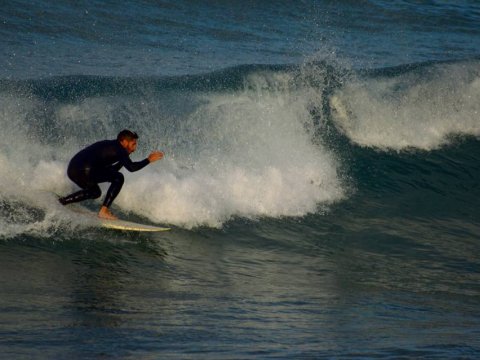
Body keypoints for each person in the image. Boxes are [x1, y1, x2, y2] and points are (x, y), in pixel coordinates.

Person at [59, 129, 163, 220]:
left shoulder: (113, 146)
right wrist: (148, 160)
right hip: (84, 170)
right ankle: (104, 211)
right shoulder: (120, 150)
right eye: (133, 144)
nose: (134, 148)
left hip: (73, 169)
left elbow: (112, 170)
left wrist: (125, 158)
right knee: (119, 177)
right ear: (125, 142)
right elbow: (132, 168)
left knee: (95, 192)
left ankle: (63, 201)